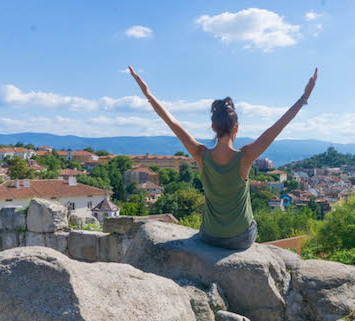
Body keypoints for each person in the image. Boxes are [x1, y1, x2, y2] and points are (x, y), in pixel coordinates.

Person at [128, 66, 318, 249]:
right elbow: (276, 129)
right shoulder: (245, 157)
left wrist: (148, 94)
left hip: (210, 236)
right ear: (236, 128)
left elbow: (172, 122)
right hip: (241, 238)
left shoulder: (201, 155)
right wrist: (303, 98)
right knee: (253, 223)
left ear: (213, 128)